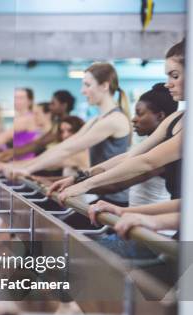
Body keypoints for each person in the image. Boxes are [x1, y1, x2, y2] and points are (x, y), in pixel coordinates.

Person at [48, 39, 186, 206]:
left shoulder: (115, 119)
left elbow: (146, 161)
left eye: (175, 76)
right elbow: (130, 156)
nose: (168, 83)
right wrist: (77, 178)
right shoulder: (175, 119)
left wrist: (85, 184)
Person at [0, 63, 132, 207]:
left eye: (87, 85)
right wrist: (24, 166)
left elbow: (69, 150)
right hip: (101, 195)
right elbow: (64, 145)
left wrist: (26, 169)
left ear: (105, 86)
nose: (82, 91)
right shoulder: (96, 119)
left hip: (114, 199)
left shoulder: (114, 120)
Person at [0, 88, 38, 160]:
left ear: (29, 101)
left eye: (21, 98)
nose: (16, 101)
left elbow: (5, 136)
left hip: (24, 163)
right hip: (17, 161)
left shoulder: (27, 118)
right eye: (15, 97)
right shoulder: (19, 117)